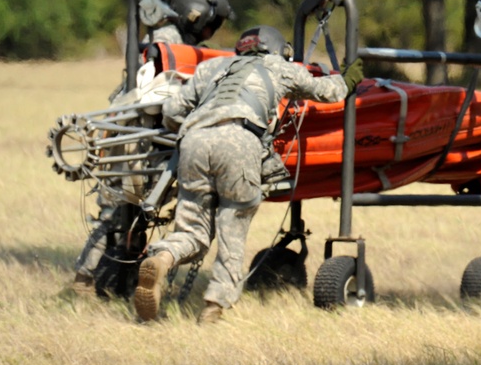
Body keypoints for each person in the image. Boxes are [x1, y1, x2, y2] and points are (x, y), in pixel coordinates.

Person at [133, 25, 364, 324]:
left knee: (192, 231)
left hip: (194, 142)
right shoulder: (279, 67)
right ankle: (214, 306)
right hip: (240, 140)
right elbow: (329, 92)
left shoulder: (212, 66)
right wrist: (350, 77)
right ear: (277, 49)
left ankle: (161, 259)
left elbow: (173, 109)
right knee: (233, 225)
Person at [71, 0, 233, 297]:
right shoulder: (166, 42)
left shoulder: (173, 40)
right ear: (194, 16)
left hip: (141, 133)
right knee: (117, 207)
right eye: (211, 24)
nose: (212, 31)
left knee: (121, 210)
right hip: (138, 136)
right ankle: (85, 279)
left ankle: (96, 276)